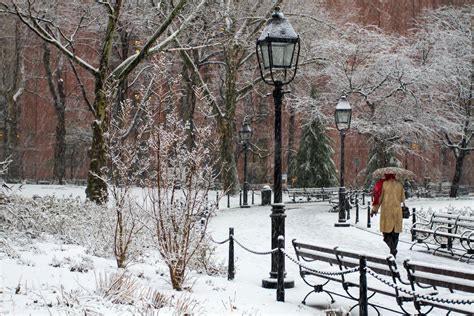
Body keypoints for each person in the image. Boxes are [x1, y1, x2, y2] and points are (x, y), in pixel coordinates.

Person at [371, 172, 406, 258]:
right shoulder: (399, 184)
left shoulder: (384, 184)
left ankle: (393, 250)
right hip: (397, 212)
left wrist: (374, 210)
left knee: (386, 235)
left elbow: (379, 199)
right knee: (395, 234)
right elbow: (402, 199)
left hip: (387, 212)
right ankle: (393, 251)